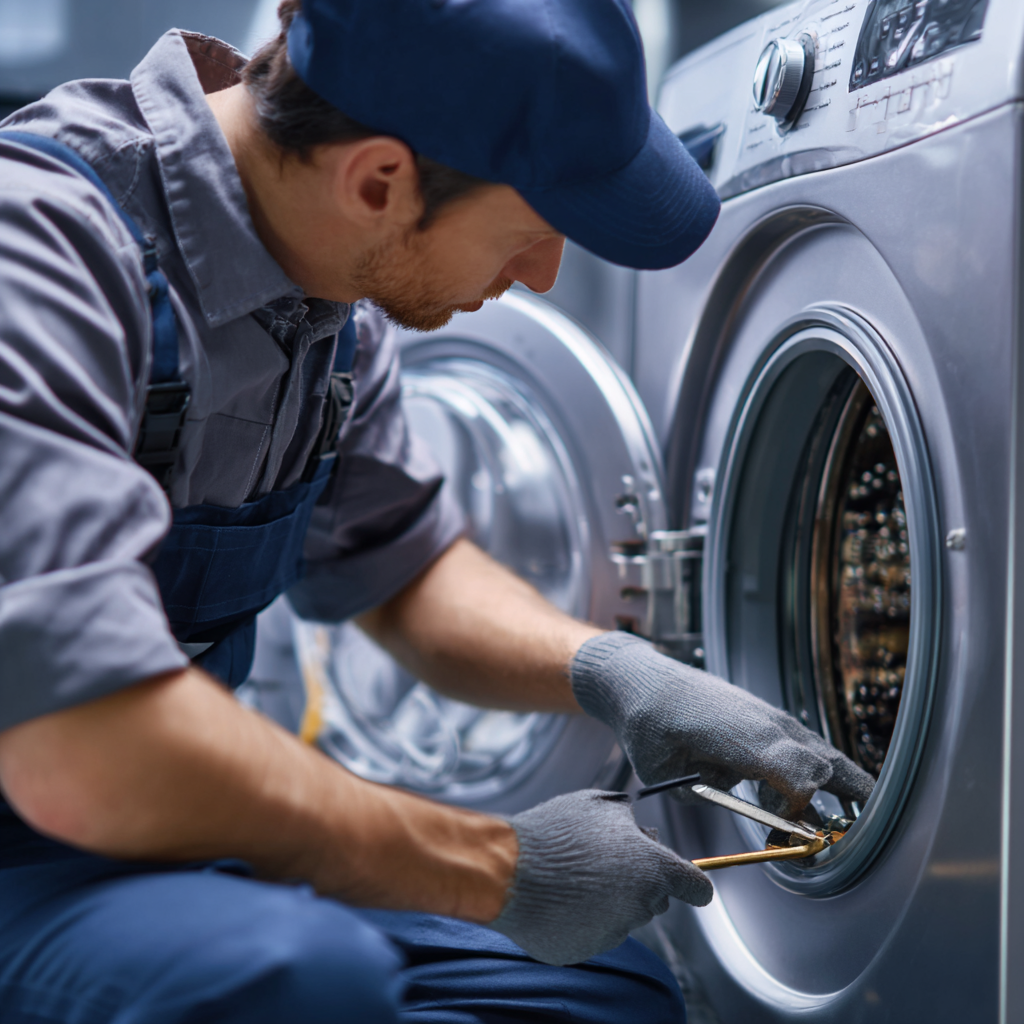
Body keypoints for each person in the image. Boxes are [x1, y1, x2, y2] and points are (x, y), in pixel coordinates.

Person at [0, 0, 875, 1021]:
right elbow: (87, 748)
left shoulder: (324, 290)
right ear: (378, 179)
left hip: (160, 842)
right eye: (533, 228)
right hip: (48, 824)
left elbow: (401, 569)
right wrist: (497, 868)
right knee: (300, 980)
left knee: (610, 993)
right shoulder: (42, 258)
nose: (542, 272)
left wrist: (620, 673)